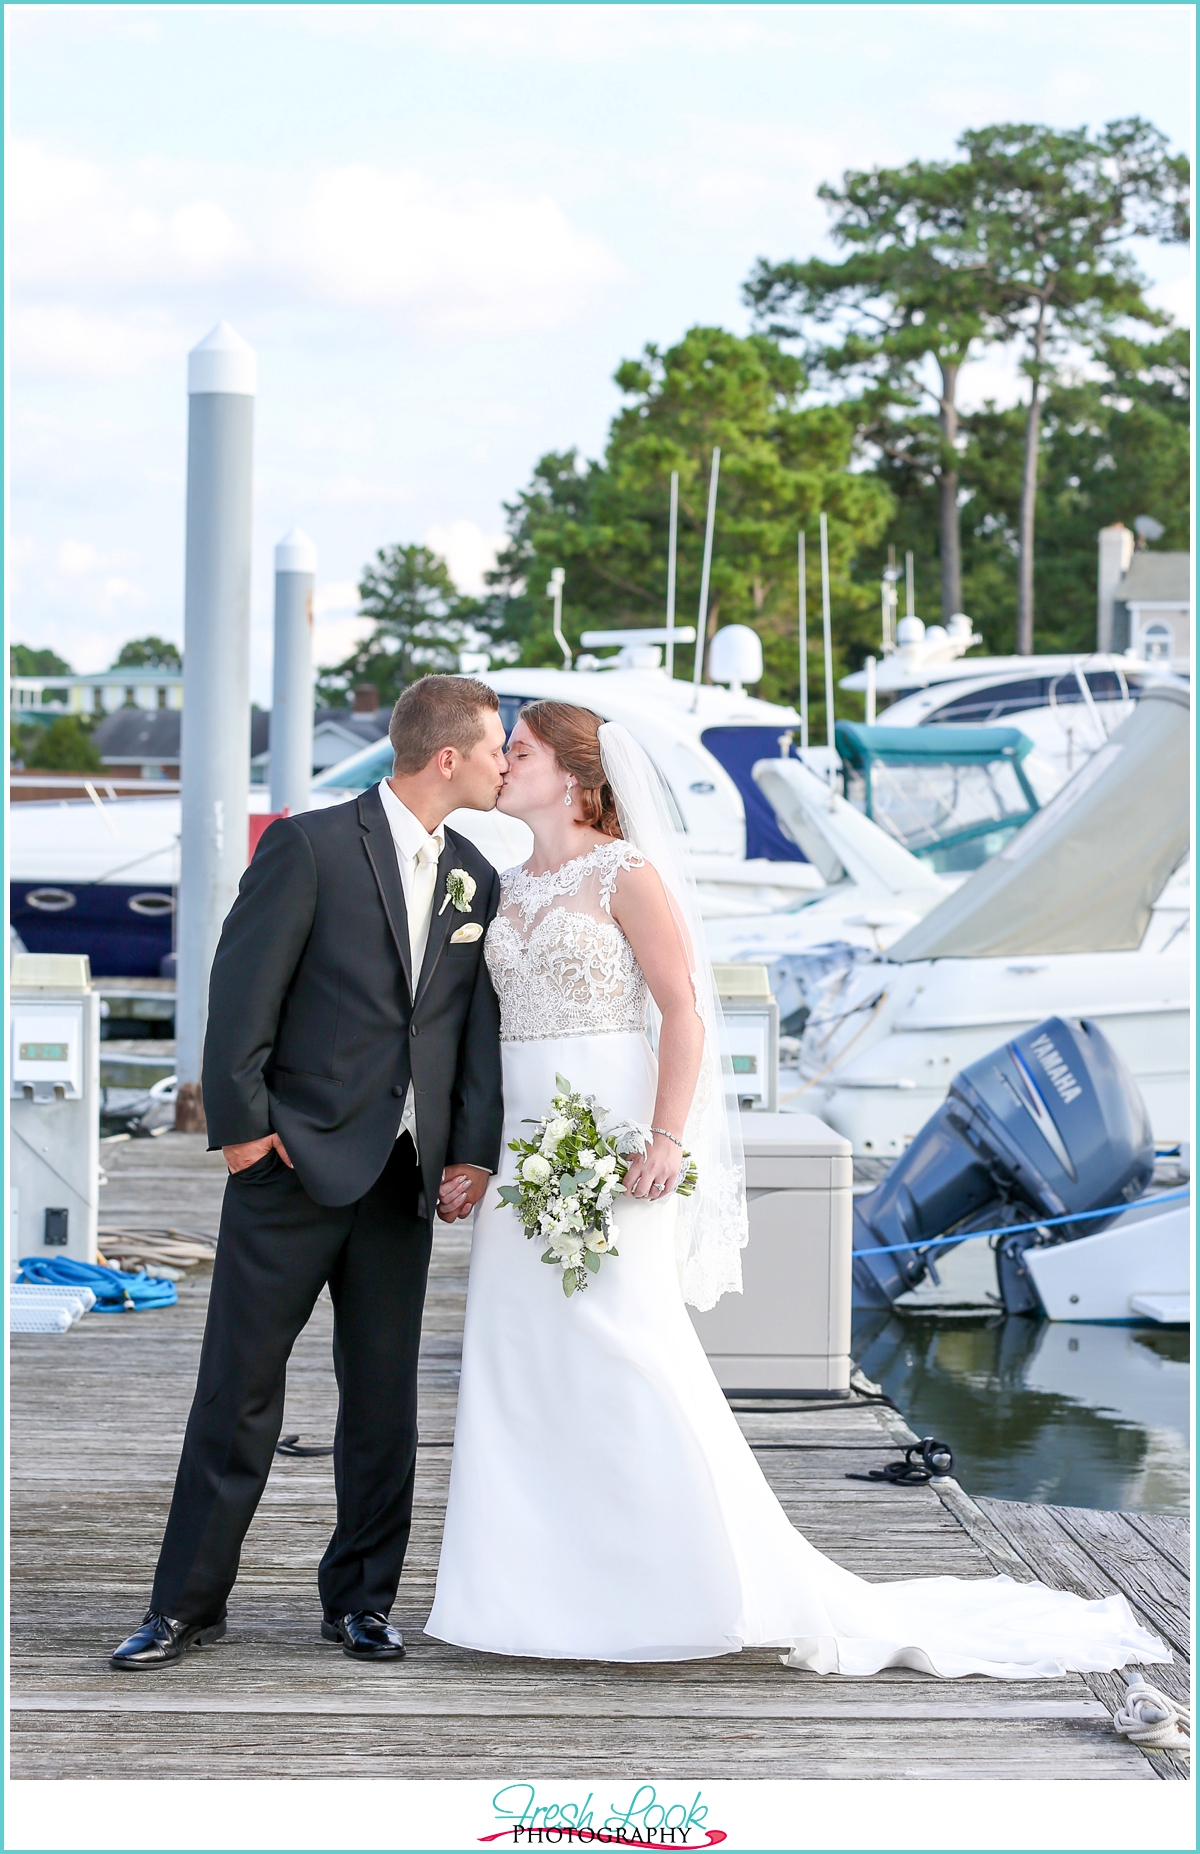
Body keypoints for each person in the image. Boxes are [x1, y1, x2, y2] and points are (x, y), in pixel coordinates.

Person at [425, 700, 1170, 1679]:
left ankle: (682, 1580)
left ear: (573, 774)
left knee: (625, 1346)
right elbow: (478, 1034)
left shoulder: (627, 875)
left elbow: (686, 1013)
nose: (502, 764)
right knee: (518, 1361)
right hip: (527, 1149)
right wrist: (475, 1150)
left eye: (517, 751)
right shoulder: (505, 883)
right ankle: (526, 1591)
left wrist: (664, 1136)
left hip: (612, 1140)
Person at [111, 676, 508, 1668]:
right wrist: (244, 1132)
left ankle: (361, 1602)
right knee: (238, 1392)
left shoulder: (475, 876)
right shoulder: (310, 844)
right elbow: (240, 992)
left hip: (402, 1182)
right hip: (290, 1169)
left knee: (384, 1404)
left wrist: (470, 1151)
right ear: (447, 758)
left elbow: (470, 1036)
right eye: (498, 747)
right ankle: (186, 1607)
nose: (508, 763)